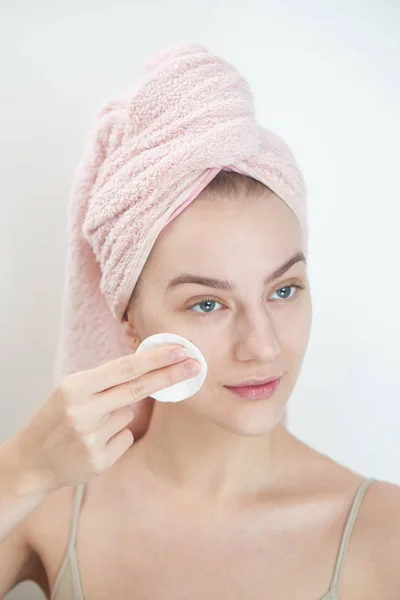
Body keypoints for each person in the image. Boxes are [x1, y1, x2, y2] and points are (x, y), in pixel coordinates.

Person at [1, 45, 400, 600]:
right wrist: (20, 470)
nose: (262, 347)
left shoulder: (387, 535)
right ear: (130, 321)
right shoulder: (44, 507)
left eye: (284, 290)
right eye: (207, 304)